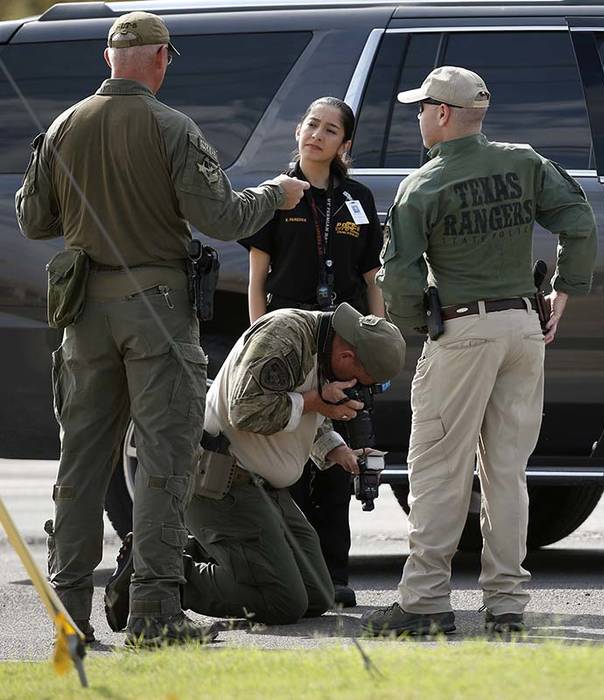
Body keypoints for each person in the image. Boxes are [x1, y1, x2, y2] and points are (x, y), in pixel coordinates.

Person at [14, 11, 309, 647]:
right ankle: (154, 613)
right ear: (161, 58)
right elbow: (222, 216)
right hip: (156, 311)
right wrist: (277, 196)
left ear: (108, 58)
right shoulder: (171, 127)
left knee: (82, 463)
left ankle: (68, 618)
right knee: (164, 462)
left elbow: (34, 221)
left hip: (83, 317)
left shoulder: (63, 126)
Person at [363, 66, 597, 636]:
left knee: (439, 469)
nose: (418, 116)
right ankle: (507, 604)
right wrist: (564, 289)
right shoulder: (523, 161)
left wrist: (424, 324)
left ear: (443, 114)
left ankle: (423, 602)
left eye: (423, 108)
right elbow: (579, 220)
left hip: (464, 331)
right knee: (507, 473)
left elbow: (398, 275)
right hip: (523, 328)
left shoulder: (422, 184)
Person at [105, 303, 405, 627]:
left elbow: (304, 412)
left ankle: (207, 553)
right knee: (282, 602)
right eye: (360, 380)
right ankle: (157, 572)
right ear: (346, 357)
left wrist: (338, 450)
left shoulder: (323, 349)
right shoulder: (285, 336)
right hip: (222, 484)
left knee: (317, 594)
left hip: (264, 489)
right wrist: (316, 402)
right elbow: (245, 409)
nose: (357, 390)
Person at [242, 97, 384, 607]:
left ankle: (333, 574)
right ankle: (293, 574)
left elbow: (371, 280)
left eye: (330, 130)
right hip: (289, 340)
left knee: (337, 461)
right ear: (298, 131)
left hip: (343, 346)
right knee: (291, 461)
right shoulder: (277, 194)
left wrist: (378, 342)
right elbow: (258, 279)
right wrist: (258, 344)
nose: (316, 135)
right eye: (310, 124)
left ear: (344, 144)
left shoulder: (357, 198)